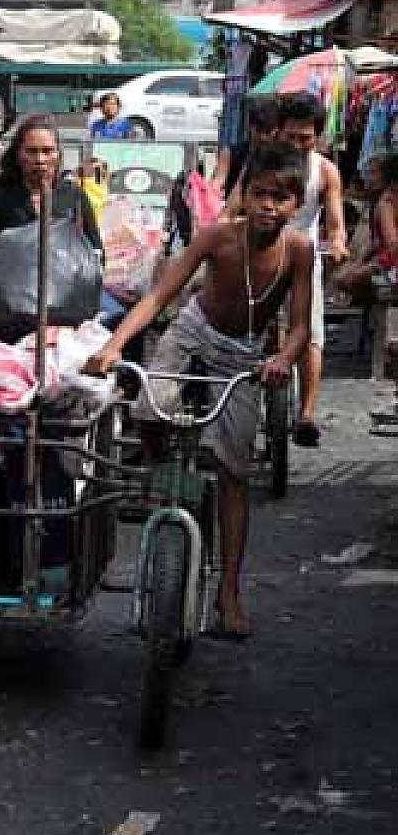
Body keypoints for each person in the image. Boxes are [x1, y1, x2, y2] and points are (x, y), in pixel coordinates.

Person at [85, 142, 313, 637]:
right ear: (244, 196)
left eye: (281, 197)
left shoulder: (299, 250)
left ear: (297, 204)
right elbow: (159, 296)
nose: (269, 206)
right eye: (260, 194)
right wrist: (115, 346)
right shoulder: (214, 238)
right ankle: (156, 486)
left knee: (233, 472)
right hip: (192, 334)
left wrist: (281, 359)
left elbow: (298, 327)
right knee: (148, 410)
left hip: (244, 355)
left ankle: (228, 590)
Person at [277, 91, 347, 448]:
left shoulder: (326, 171)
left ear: (317, 137)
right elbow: (237, 207)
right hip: (261, 254)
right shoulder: (264, 165)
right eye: (290, 136)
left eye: (305, 138)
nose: (297, 144)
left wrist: (336, 242)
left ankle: (306, 413)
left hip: (304, 256)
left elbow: (335, 222)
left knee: (310, 332)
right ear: (278, 133)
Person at [0, 114, 102, 268]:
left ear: (58, 154)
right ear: (18, 154)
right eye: (32, 151)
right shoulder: (0, 197)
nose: (40, 160)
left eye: (47, 151)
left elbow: (96, 252)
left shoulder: (73, 196)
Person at [335, 152, 398, 303]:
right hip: (386, 259)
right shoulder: (378, 201)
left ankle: (383, 297)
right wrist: (359, 262)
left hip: (390, 263)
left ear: (386, 176)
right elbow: (376, 243)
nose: (367, 178)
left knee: (345, 280)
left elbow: (392, 245)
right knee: (343, 276)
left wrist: (372, 266)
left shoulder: (387, 202)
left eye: (373, 173)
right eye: (367, 172)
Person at [213, 95, 280, 204]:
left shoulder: (281, 157)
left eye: (268, 132)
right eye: (258, 130)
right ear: (250, 127)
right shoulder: (230, 153)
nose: (263, 137)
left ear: (276, 130)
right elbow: (218, 181)